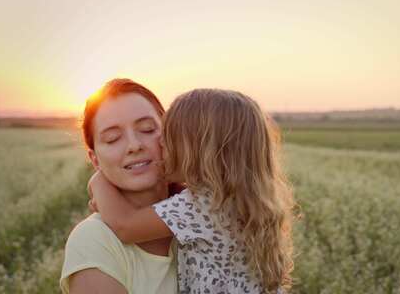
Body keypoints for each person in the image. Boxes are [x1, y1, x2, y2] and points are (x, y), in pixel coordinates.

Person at [89, 89, 295, 293]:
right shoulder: (236, 199)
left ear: (198, 151)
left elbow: (126, 226)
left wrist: (98, 182)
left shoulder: (203, 206)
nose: (161, 142)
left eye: (169, 136)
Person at [60, 78, 179, 294]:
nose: (134, 146)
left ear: (170, 134)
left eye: (147, 129)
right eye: (113, 139)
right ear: (94, 159)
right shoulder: (94, 240)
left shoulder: (206, 209)